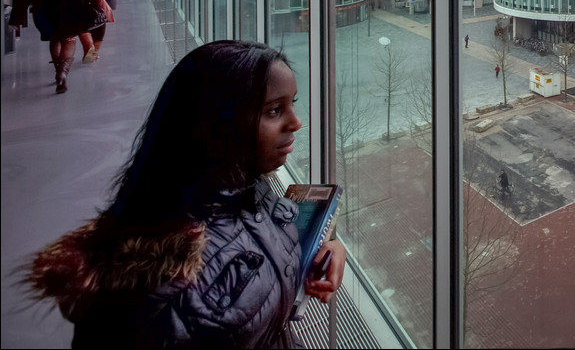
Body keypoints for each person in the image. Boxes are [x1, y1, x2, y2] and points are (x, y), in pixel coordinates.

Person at [24, 41, 346, 348]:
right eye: (275, 111)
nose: (296, 122)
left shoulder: (247, 189)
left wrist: (315, 255)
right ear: (221, 122)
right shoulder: (165, 291)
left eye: (293, 104)